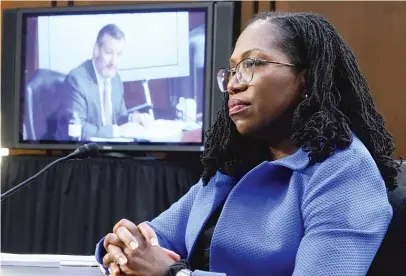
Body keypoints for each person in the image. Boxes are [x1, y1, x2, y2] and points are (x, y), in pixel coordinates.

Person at [95, 12, 400, 276]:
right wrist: (124, 247)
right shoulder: (233, 165)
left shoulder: (343, 172)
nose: (233, 83)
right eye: (231, 70)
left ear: (305, 79)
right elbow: (155, 238)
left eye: (251, 63)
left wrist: (175, 273)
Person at [59, 24, 152, 140]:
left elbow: (119, 117)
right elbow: (78, 129)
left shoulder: (116, 79)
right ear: (96, 50)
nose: (114, 61)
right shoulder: (76, 80)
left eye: (119, 54)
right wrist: (116, 131)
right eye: (109, 52)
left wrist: (132, 118)